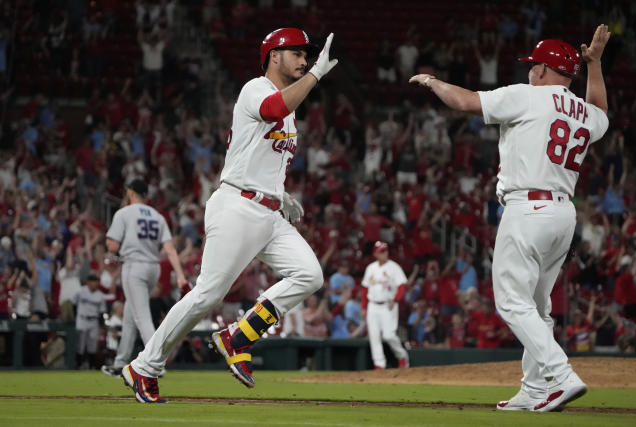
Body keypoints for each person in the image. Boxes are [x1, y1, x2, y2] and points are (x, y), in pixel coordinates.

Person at [122, 28, 338, 403]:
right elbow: (275, 108)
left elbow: (259, 155)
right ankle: (144, 366)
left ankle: (238, 335)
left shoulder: (290, 115)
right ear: (274, 56)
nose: (305, 60)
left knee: (309, 274)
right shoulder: (255, 89)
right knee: (207, 295)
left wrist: (282, 194)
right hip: (238, 205)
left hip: (268, 212)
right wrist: (317, 76)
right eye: (298, 53)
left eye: (308, 55)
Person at [410, 25, 611, 412]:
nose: (529, 70)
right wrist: (596, 65)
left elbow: (467, 102)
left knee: (511, 302)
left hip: (528, 209)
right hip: (563, 215)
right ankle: (535, 389)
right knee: (538, 308)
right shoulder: (583, 112)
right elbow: (601, 111)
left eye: (534, 64)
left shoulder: (528, 97)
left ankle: (561, 375)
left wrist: (434, 81)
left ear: (543, 70)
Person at [101, 179, 187, 377]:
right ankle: (120, 362)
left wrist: (113, 247)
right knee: (131, 316)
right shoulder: (158, 216)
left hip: (135, 267)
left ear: (130, 192)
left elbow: (112, 246)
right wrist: (180, 275)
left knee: (142, 318)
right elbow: (169, 249)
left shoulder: (124, 213)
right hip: (153, 268)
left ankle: (156, 363)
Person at [361, 241, 410, 369]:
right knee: (374, 336)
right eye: (381, 251)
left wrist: (396, 299)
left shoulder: (394, 267)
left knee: (389, 335)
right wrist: (364, 307)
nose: (384, 253)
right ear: (375, 253)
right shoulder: (370, 268)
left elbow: (401, 286)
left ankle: (402, 356)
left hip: (388, 305)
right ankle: (379, 365)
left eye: (386, 250)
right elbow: (365, 289)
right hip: (373, 305)